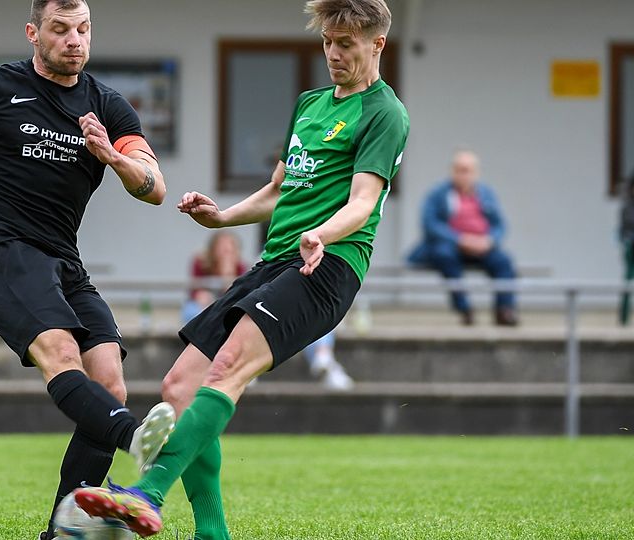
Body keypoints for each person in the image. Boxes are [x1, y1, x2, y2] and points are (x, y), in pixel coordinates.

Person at [72, 1, 409, 537]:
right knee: (179, 385)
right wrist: (221, 217)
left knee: (227, 369)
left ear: (377, 45)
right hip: (276, 262)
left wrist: (322, 233)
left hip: (329, 265)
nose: (334, 53)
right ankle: (213, 533)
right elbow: (279, 190)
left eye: (347, 44)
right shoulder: (311, 103)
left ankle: (146, 493)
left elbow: (363, 203)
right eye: (328, 41)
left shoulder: (384, 113)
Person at [0, 2, 175, 538]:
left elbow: (155, 186)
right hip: (6, 255)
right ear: (34, 32)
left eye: (83, 29)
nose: (74, 40)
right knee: (60, 353)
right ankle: (133, 439)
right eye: (60, 29)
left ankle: (61, 529)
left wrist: (113, 156)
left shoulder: (108, 105)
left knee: (110, 385)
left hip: (64, 261)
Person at [407, 150, 518, 326]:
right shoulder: (438, 194)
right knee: (444, 255)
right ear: (452, 171)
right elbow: (430, 225)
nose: (463, 174)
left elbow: (500, 225)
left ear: (476, 172)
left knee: (503, 261)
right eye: (460, 169)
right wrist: (459, 239)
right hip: (451, 246)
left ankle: (504, 310)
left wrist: (489, 241)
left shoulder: (486, 194)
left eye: (467, 170)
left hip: (481, 246)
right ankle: (465, 308)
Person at [181, 231, 247, 324]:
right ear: (213, 248)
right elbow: (194, 289)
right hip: (202, 302)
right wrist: (201, 295)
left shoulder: (240, 266)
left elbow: (235, 295)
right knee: (192, 312)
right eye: (222, 246)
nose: (226, 250)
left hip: (226, 302)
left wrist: (228, 272)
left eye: (230, 246)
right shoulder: (200, 262)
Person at [619, 174, 634, 325]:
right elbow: (623, 229)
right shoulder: (627, 207)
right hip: (631, 246)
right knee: (628, 281)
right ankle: (624, 317)